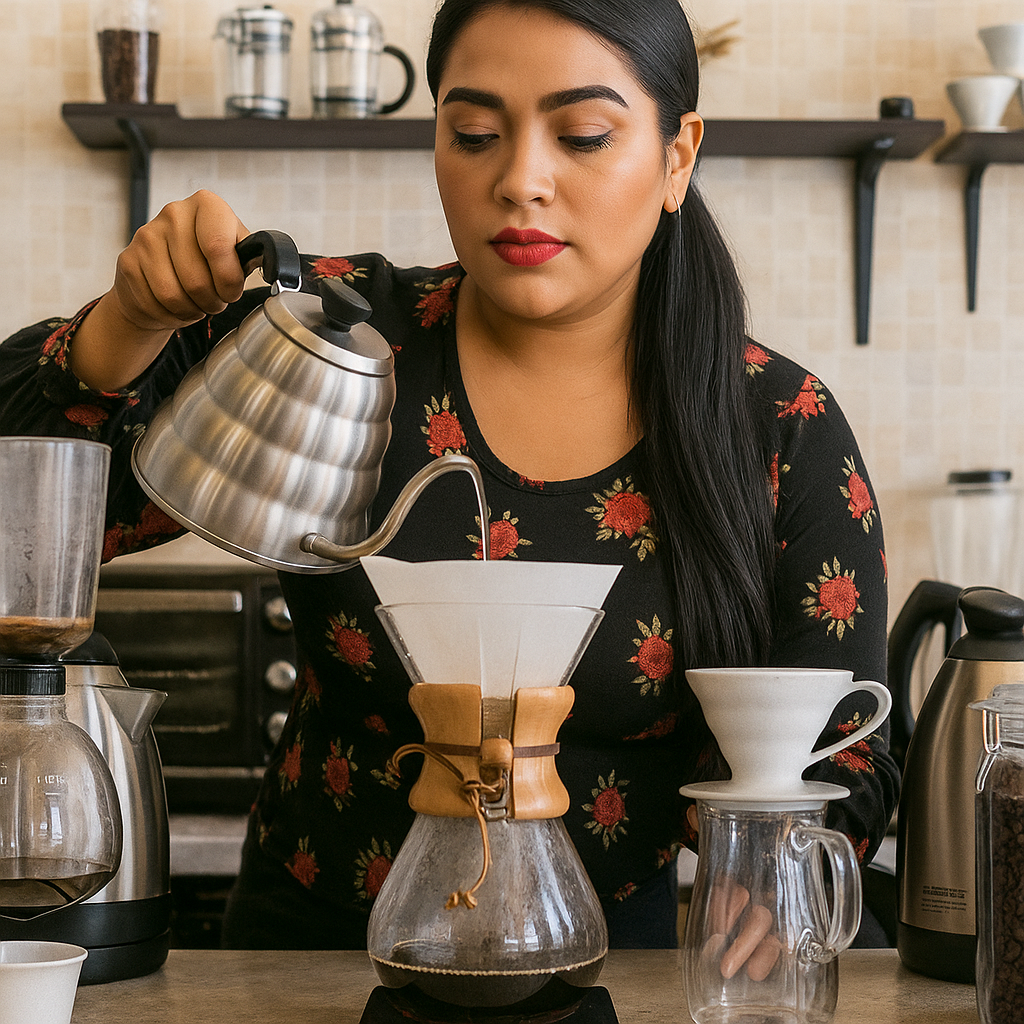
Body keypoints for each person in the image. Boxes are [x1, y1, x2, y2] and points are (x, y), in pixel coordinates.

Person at [0, 0, 898, 950]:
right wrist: (126, 329)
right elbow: (37, 538)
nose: (520, 182)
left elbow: (850, 740)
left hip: (610, 973)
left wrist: (781, 863)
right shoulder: (338, 339)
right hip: (305, 964)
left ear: (678, 157)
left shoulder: (775, 421)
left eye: (583, 135)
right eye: (474, 134)